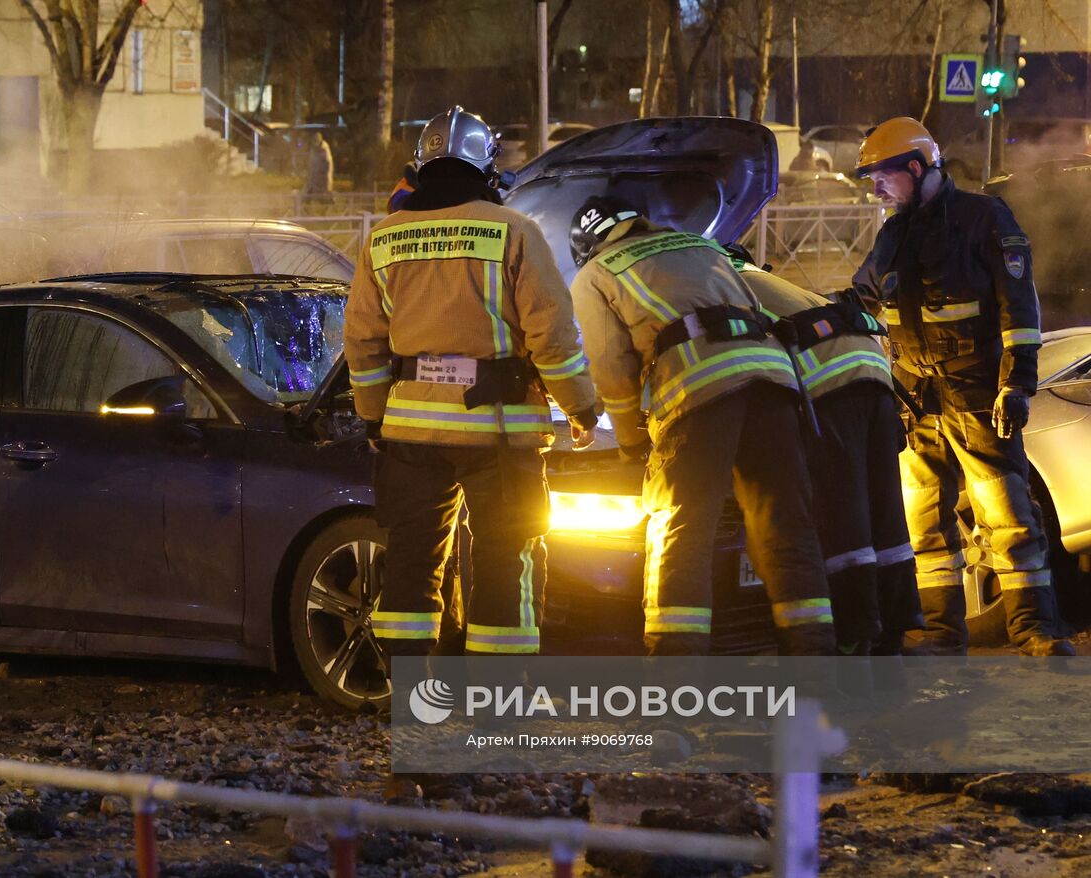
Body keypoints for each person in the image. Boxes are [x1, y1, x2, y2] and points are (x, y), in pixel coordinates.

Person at [344, 105, 597, 661]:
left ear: (420, 166)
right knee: (508, 555)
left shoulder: (383, 239)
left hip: (410, 433)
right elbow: (552, 335)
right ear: (488, 167)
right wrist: (581, 408)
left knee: (412, 558)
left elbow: (362, 341)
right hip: (498, 431)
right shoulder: (515, 231)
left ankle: (411, 701)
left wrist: (372, 417)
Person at [568, 195, 834, 657]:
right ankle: (815, 669)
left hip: (699, 392)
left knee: (681, 529)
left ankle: (676, 680)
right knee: (786, 527)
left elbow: (609, 367)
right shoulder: (703, 245)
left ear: (587, 244)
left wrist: (631, 443)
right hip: (775, 384)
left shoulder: (597, 272)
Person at [850, 116, 1073, 657]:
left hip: (977, 391)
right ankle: (941, 632)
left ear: (915, 166)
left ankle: (1034, 629)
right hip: (914, 397)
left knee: (1007, 513)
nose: (877, 189)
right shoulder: (895, 233)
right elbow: (864, 297)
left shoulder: (984, 219)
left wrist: (1016, 384)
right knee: (924, 520)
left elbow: (1018, 308)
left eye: (882, 176)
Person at [733, 256, 922, 660]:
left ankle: (853, 636)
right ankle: (894, 629)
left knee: (842, 518)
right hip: (871, 369)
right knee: (885, 512)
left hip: (828, 382)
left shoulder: (717, 283)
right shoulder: (768, 281)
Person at [305, 131, 333, 196]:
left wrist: (324, 174)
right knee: (311, 188)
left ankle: (329, 202)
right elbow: (311, 162)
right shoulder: (314, 149)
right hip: (314, 175)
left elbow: (328, 163)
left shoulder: (324, 149)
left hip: (323, 176)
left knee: (326, 190)